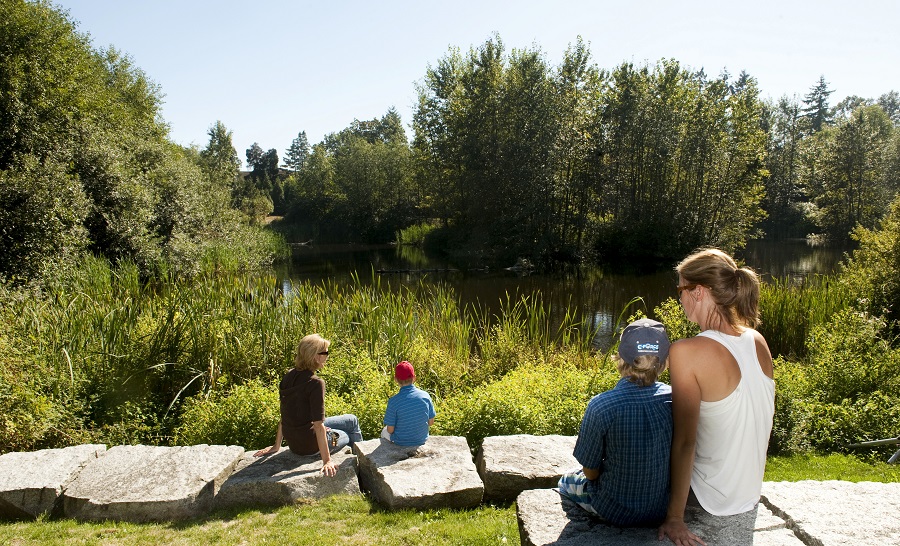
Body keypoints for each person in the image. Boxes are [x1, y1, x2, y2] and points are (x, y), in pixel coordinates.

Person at [658, 248, 775, 546]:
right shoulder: (756, 340)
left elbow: (685, 441)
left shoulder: (686, 352)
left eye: (680, 291)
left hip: (709, 498)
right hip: (747, 494)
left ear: (697, 292)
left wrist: (675, 518)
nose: (680, 299)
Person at [557, 318, 673, 526]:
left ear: (620, 358)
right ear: (664, 361)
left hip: (613, 510)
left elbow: (590, 473)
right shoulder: (675, 399)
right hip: (660, 507)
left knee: (566, 479)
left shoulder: (601, 405)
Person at [254, 334, 363, 477]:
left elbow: (285, 415)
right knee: (345, 435)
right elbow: (318, 425)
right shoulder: (316, 383)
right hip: (310, 447)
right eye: (325, 353)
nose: (327, 356)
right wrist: (327, 461)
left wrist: (276, 446)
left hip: (295, 444)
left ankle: (337, 440)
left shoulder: (288, 377)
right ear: (316, 357)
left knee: (351, 420)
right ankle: (363, 468)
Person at [381, 360, 436, 446]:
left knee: (384, 431)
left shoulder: (393, 401)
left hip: (401, 442)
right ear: (414, 378)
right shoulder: (425, 396)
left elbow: (390, 430)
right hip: (421, 440)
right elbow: (431, 423)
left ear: (396, 380)